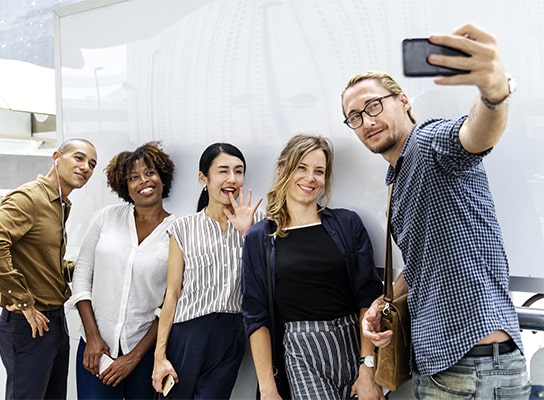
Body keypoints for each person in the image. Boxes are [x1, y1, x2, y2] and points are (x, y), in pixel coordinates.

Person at [340, 23, 531, 399]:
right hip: (451, 363)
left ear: (403, 101)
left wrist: (494, 93)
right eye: (355, 117)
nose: (367, 121)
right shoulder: (398, 176)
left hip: (468, 364)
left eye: (374, 105)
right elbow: (422, 262)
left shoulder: (428, 142)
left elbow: (474, 135)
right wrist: (384, 302)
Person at [241, 134, 385, 400]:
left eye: (319, 171)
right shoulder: (260, 237)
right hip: (301, 351)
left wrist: (367, 367)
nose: (311, 178)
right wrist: (268, 389)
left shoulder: (347, 224)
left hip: (354, 343)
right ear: (283, 169)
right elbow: (256, 316)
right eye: (301, 167)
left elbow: (368, 296)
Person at [0, 138, 98, 400]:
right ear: (56, 157)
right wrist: (23, 301)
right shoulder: (30, 198)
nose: (86, 167)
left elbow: (43, 262)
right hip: (29, 325)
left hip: (55, 322)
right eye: (79, 158)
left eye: (92, 164)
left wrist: (91, 269)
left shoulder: (59, 204)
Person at [151, 142, 263, 399]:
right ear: (203, 178)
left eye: (238, 171)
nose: (232, 179)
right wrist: (159, 355)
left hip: (231, 334)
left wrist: (248, 233)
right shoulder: (183, 228)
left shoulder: (258, 224)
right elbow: (172, 293)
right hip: (187, 334)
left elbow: (264, 281)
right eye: (223, 171)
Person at [65, 142, 176, 399]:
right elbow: (82, 277)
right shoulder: (106, 218)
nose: (143, 181)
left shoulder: (177, 230)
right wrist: (92, 338)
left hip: (145, 354)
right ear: (124, 186)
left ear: (162, 177)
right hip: (96, 351)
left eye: (150, 173)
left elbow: (171, 301)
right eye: (133, 177)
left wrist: (134, 357)